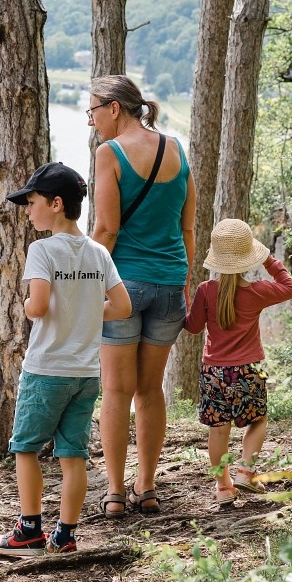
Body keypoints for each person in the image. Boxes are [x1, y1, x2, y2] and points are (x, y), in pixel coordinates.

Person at [0, 162, 131, 556]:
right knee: (73, 455)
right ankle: (65, 537)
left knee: (26, 448)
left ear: (55, 203)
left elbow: (36, 307)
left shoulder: (42, 250)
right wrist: (84, 309)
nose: (28, 210)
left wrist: (26, 301)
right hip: (86, 373)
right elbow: (121, 306)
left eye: (32, 202)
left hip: (47, 368)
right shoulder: (99, 252)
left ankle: (29, 531)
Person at [87, 75, 196, 518]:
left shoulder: (109, 154)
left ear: (114, 108)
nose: (91, 122)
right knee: (150, 390)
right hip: (170, 283)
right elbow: (187, 226)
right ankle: (146, 486)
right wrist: (181, 279)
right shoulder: (175, 147)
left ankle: (115, 492)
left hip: (123, 287)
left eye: (93, 111)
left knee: (115, 390)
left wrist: (90, 282)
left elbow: (106, 229)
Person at [183, 218, 292, 505]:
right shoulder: (258, 291)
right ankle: (245, 471)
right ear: (248, 257)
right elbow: (289, 287)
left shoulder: (206, 290)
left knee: (218, 429)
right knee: (257, 421)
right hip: (249, 370)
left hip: (214, 373)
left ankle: (223, 487)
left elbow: (193, 327)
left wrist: (185, 301)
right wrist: (270, 260)